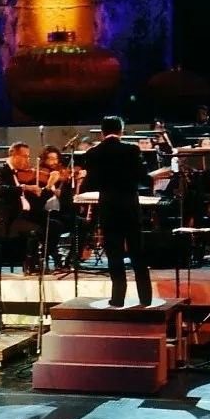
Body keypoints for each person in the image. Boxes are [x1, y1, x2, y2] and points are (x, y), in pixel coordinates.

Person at [83, 116, 152, 307]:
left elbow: (90, 183)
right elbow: (143, 179)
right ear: (121, 130)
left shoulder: (93, 153)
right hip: (130, 207)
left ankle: (118, 298)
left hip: (109, 207)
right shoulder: (132, 150)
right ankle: (145, 298)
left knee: (114, 254)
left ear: (102, 132)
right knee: (137, 253)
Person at [0, 142, 61, 273]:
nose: (27, 160)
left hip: (26, 214)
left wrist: (49, 186)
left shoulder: (20, 174)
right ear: (13, 154)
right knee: (41, 228)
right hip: (11, 217)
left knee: (55, 224)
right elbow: (0, 190)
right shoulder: (0, 171)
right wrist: (25, 187)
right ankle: (30, 262)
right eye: (24, 156)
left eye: (28, 157)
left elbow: (37, 201)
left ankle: (41, 260)